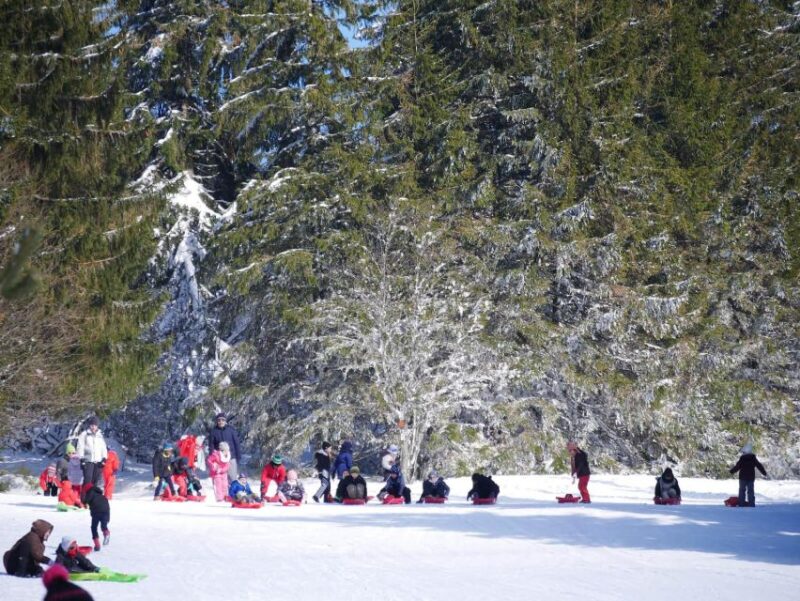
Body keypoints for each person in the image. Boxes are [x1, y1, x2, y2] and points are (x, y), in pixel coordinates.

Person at [76, 416, 108, 495]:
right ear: (89, 425)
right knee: (87, 480)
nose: (93, 427)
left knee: (95, 481)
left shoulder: (100, 435)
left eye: (95, 425)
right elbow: (80, 447)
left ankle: (92, 500)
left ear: (97, 426)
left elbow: (103, 448)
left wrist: (104, 458)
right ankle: (84, 499)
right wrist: (81, 459)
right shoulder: (84, 434)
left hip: (98, 461)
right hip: (88, 461)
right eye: (92, 425)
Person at [730, 442, 768, 507]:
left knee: (742, 490)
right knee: (750, 491)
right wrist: (764, 473)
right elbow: (759, 466)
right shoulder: (753, 458)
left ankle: (741, 504)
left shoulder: (742, 459)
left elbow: (737, 466)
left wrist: (732, 471)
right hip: (751, 477)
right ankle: (751, 504)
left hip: (742, 477)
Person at [209, 412, 242, 482]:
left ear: (225, 421)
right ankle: (224, 492)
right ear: (217, 421)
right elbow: (211, 446)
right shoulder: (213, 432)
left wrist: (238, 456)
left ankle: (234, 492)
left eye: (223, 420)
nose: (221, 422)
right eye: (219, 420)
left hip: (231, 457)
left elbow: (237, 443)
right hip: (219, 460)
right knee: (222, 480)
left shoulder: (231, 430)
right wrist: (212, 458)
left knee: (233, 479)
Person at [83, 485, 110, 551]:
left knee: (94, 527)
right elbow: (108, 507)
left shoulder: (90, 492)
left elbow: (85, 501)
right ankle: (106, 533)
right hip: (106, 512)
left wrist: (84, 503)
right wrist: (107, 519)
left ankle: (97, 545)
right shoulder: (102, 496)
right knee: (103, 526)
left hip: (96, 512)